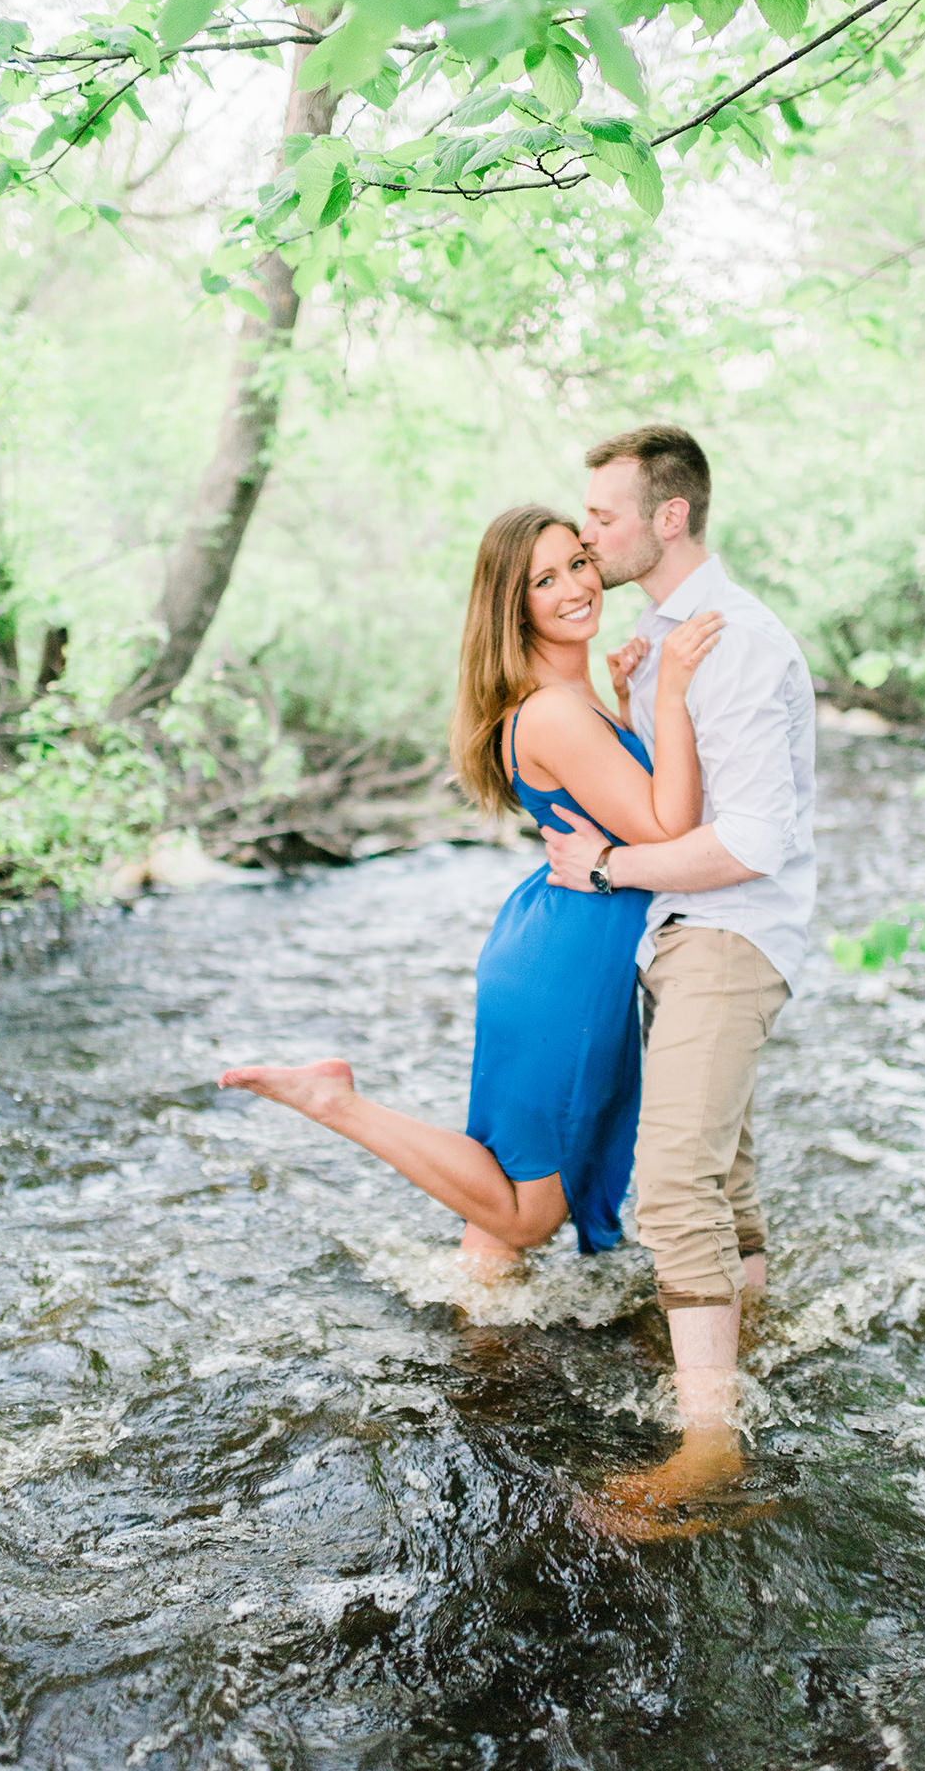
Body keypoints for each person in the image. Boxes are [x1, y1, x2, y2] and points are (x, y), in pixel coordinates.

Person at [218, 504, 721, 1274]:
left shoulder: (570, 696)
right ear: (510, 606)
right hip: (569, 960)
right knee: (525, 1212)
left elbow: (614, 798)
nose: (573, 587)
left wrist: (628, 706)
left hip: (558, 939)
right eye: (542, 581)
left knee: (504, 1190)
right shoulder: (552, 711)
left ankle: (481, 1351)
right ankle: (336, 1102)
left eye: (577, 564)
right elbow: (666, 830)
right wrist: (674, 689)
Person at [542, 426, 816, 1521]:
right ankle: (747, 1333)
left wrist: (606, 866)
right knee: (724, 1176)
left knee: (669, 1183)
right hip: (684, 928)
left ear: (669, 516)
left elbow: (747, 842)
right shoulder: (663, 638)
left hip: (728, 929)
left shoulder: (737, 641)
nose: (588, 532)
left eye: (602, 515)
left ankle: (710, 1445)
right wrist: (634, 694)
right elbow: (680, 795)